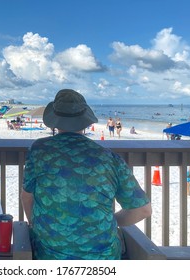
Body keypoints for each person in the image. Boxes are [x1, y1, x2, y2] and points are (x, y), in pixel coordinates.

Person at [21, 89, 151, 260]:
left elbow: (27, 197)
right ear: (85, 121)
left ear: (55, 122)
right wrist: (108, 222)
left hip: (49, 255)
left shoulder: (39, 150)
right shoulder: (109, 158)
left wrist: (35, 225)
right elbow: (142, 210)